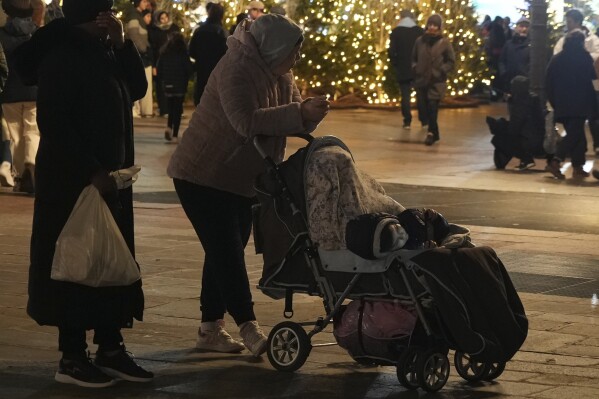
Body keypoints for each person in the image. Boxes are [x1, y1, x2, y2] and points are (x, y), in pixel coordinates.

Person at [167, 14, 329, 356]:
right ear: (277, 47)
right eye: (294, 51)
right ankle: (248, 325)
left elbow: (290, 111)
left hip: (241, 177)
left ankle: (210, 329)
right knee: (226, 250)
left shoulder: (280, 71)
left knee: (225, 247)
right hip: (203, 174)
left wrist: (308, 115)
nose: (296, 59)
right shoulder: (236, 68)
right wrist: (300, 113)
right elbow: (246, 121)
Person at [16, 0, 152, 388]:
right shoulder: (63, 54)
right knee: (74, 264)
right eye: (106, 9)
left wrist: (124, 44)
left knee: (110, 260)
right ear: (94, 15)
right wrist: (91, 170)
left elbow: (137, 89)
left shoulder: (104, 49)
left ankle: (110, 345)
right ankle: (72, 355)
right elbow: (55, 121)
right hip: (73, 183)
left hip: (109, 180)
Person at [0, 0, 44, 194]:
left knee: (15, 135)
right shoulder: (36, 32)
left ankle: (21, 173)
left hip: (10, 92)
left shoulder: (1, 34)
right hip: (34, 89)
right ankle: (31, 163)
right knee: (33, 130)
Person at [546, 30, 596, 179]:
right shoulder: (584, 58)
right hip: (579, 103)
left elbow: (548, 82)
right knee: (575, 134)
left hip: (561, 103)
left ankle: (578, 166)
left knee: (578, 134)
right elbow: (591, 78)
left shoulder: (556, 59)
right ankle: (556, 160)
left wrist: (553, 101)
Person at [553, 9, 599, 159]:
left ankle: (575, 161)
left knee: (583, 125)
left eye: (570, 21)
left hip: (586, 90)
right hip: (572, 93)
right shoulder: (563, 41)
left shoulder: (592, 40)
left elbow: (596, 57)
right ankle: (562, 159)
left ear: (578, 22)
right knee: (576, 128)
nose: (568, 24)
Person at [412, 14, 455, 146]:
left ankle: (431, 133)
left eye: (435, 25)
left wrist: (442, 69)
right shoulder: (420, 41)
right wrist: (416, 68)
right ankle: (435, 133)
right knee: (423, 108)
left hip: (437, 81)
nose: (432, 28)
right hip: (421, 80)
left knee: (432, 107)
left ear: (439, 27)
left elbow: (451, 61)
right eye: (430, 25)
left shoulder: (444, 42)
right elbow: (413, 58)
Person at [388, 10, 425, 130]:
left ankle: (407, 121)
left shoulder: (396, 32)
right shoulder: (419, 31)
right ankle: (424, 121)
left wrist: (395, 64)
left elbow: (391, 51)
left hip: (402, 68)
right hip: (418, 67)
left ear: (401, 17)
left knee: (405, 96)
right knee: (421, 95)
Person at [189, 2, 227, 106]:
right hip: (217, 70)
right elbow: (227, 52)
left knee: (202, 97)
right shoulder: (221, 32)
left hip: (201, 68)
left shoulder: (199, 31)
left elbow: (191, 51)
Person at [157, 32, 192, 142]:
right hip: (180, 85)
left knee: (170, 107)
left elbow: (160, 68)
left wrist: (163, 79)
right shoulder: (183, 54)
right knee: (177, 109)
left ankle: (169, 127)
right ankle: (175, 134)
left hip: (168, 84)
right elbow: (189, 69)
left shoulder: (164, 53)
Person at [124, 0, 153, 117]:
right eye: (144, 1)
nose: (146, 3)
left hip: (142, 54)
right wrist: (144, 49)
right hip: (140, 54)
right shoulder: (134, 16)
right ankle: (136, 109)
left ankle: (144, 110)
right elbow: (134, 35)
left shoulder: (139, 16)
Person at [148, 9, 179, 117]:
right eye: (162, 18)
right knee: (161, 86)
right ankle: (164, 109)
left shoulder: (174, 28)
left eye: (166, 17)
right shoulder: (155, 31)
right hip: (160, 62)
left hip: (173, 61)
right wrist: (153, 65)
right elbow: (152, 49)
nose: (165, 20)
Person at [499, 17, 530, 93]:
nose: (524, 29)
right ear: (516, 28)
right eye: (521, 26)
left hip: (526, 82)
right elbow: (502, 60)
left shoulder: (532, 45)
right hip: (510, 82)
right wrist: (504, 74)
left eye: (526, 26)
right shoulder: (509, 44)